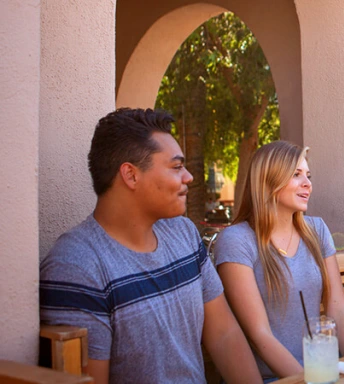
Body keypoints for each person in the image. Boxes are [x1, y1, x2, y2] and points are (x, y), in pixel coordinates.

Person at [39, 108, 261, 384]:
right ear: (130, 175)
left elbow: (224, 334)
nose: (189, 177)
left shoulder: (183, 234)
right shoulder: (76, 266)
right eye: (177, 167)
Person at [213, 140, 344, 381]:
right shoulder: (237, 240)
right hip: (276, 378)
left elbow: (339, 309)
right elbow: (260, 334)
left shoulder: (316, 229)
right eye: (296, 175)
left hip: (324, 371)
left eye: (308, 175)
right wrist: (308, 380)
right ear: (268, 181)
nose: (308, 184)